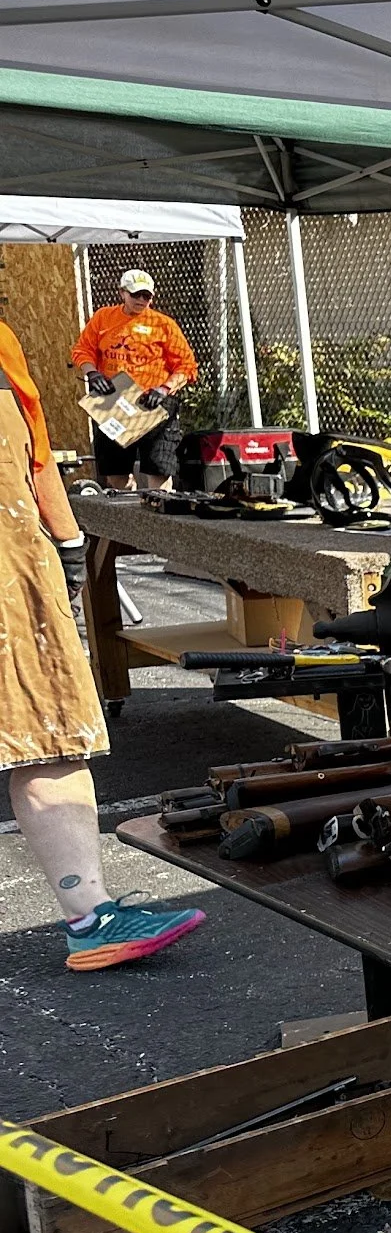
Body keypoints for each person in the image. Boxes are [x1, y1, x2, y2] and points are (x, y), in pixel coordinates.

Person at [2, 316, 207, 970]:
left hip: (13, 567)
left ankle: (90, 916)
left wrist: (64, 543)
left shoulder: (3, 341)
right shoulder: (98, 325)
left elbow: (35, 455)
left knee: (48, 733)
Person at [70, 268, 197, 490]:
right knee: (115, 469)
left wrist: (165, 389)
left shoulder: (163, 325)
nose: (141, 300)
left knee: (159, 466)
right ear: (122, 293)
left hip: (153, 402)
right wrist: (92, 373)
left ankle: (159, 512)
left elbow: (186, 365)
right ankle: (125, 515)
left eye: (146, 296)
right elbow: (83, 350)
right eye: (135, 294)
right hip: (115, 399)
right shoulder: (103, 318)